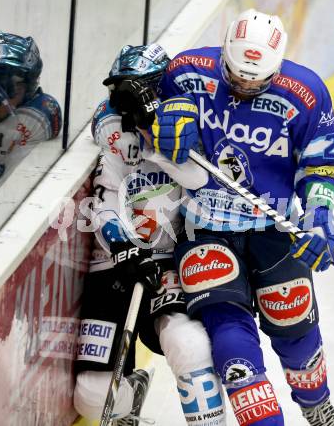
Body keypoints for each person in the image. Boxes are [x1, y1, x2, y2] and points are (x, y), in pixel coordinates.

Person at [149, 9, 334, 426]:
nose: (244, 86)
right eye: (237, 75)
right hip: (202, 228)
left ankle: (314, 402)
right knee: (229, 336)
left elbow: (322, 164)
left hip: (273, 228)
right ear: (223, 54)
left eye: (257, 80)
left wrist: (319, 219)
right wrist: (162, 122)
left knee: (293, 321)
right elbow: (140, 109)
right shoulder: (186, 72)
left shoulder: (305, 93)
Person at [73, 44, 226, 426]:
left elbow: (200, 181)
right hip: (117, 261)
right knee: (92, 397)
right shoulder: (110, 128)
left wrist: (159, 141)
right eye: (120, 93)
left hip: (171, 256)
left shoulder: (190, 118)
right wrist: (124, 248)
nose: (125, 105)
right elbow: (106, 198)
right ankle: (133, 396)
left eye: (137, 92)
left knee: (187, 344)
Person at [0, 29, 61, 188]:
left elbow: (12, 192)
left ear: (28, 87)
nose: (0, 93)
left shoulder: (36, 115)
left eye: (7, 85)